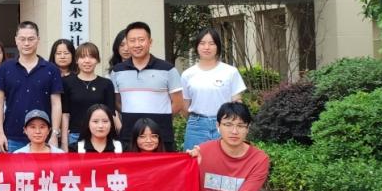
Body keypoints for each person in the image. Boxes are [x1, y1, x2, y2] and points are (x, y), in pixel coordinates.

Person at [111, 22, 183, 150]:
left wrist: (159, 118)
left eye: (141, 40)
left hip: (161, 136)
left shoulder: (168, 69)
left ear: (150, 42)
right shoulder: (117, 71)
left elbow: (178, 104)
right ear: (127, 43)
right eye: (132, 41)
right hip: (129, 136)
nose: (137, 44)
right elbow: (117, 102)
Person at [0, 21, 63, 152]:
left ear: (38, 40)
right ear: (16, 40)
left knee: (44, 167)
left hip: (43, 136)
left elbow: (56, 104)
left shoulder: (51, 69)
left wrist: (54, 134)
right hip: (12, 136)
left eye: (31, 39)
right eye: (22, 39)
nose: (26, 43)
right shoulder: (4, 69)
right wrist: (0, 133)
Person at [182, 28, 247, 150]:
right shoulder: (187, 74)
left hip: (225, 124)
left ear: (218, 47)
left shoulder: (230, 72)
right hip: (196, 126)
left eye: (211, 43)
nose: (207, 47)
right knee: (194, 158)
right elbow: (185, 107)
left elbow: (237, 102)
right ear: (197, 47)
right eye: (202, 43)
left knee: (224, 159)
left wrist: (233, 124)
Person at [61, 42, 117, 149]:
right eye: (82, 57)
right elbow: (65, 114)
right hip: (75, 135)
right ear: (76, 60)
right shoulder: (67, 82)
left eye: (91, 57)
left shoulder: (106, 84)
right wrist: (64, 142)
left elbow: (111, 114)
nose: (87, 61)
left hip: (101, 135)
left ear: (97, 60)